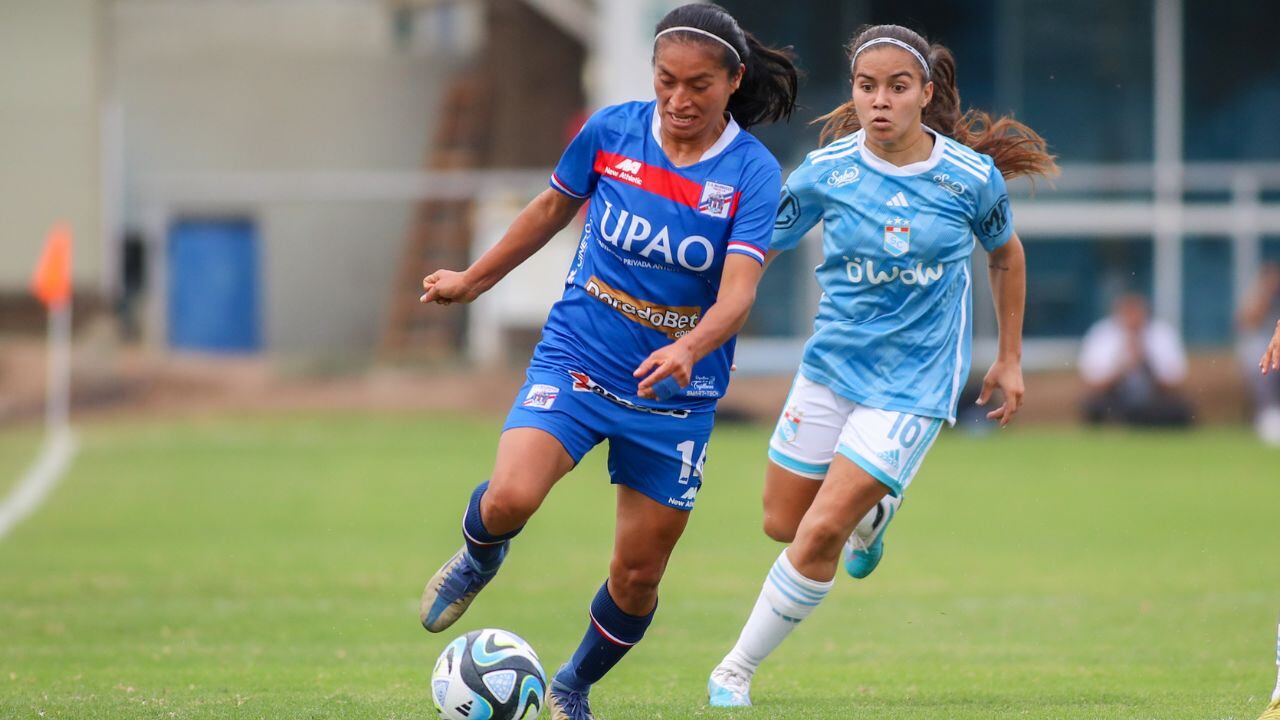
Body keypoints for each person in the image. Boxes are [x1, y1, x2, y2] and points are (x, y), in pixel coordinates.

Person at [417, 5, 798, 719]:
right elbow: (548, 209)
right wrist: (475, 278)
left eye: (699, 86)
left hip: (675, 396)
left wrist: (687, 348)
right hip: (579, 356)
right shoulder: (613, 131)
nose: (680, 101)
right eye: (666, 82)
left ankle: (570, 687)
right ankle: (478, 557)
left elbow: (739, 295)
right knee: (509, 499)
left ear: (733, 81)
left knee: (636, 577)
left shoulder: (752, 174)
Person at [704, 24, 1058, 706]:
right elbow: (759, 249)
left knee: (819, 532)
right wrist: (711, 325)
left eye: (898, 87)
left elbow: (1007, 256)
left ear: (926, 94)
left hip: (916, 386)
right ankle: (877, 513)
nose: (880, 100)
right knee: (782, 522)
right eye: (868, 87)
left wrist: (1009, 360)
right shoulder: (826, 171)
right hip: (831, 369)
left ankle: (734, 671)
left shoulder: (969, 178)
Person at [1079, 293, 1194, 428]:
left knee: (1179, 409)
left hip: (1154, 399)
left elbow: (1175, 382)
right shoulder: (1102, 334)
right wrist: (1123, 368)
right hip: (1116, 399)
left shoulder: (1162, 334)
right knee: (1093, 406)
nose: (1132, 319)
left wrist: (1145, 361)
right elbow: (1094, 382)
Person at [1240, 262, 1280, 444]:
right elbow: (1247, 322)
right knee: (1263, 359)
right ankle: (1267, 414)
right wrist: (1265, 292)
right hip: (1263, 348)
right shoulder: (1259, 298)